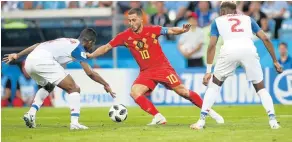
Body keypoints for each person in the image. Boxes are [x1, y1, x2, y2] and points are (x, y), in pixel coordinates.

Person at [86, 8, 224, 125]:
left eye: (134, 20)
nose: (131, 23)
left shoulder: (153, 30)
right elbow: (106, 47)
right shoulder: (124, 36)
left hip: (162, 68)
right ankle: (158, 116)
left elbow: (170, 30)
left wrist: (182, 30)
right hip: (146, 72)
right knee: (134, 92)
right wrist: (92, 55)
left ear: (141, 19)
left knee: (183, 92)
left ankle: (209, 110)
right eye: (129, 20)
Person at [190, 2, 283, 130]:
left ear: (221, 12)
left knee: (215, 85)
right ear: (235, 11)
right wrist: (275, 61)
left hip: (229, 50)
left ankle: (201, 121)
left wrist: (208, 70)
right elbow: (265, 38)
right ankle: (273, 121)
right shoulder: (247, 19)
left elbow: (211, 45)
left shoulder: (217, 21)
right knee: (261, 88)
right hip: (248, 50)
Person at [3, 28, 115, 130]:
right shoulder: (78, 48)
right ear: (90, 42)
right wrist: (106, 84)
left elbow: (37, 45)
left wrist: (17, 55)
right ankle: (75, 123)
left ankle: (31, 113)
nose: (92, 47)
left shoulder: (66, 40)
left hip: (29, 62)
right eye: (93, 44)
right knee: (74, 89)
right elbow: (90, 73)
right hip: (43, 60)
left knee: (48, 86)